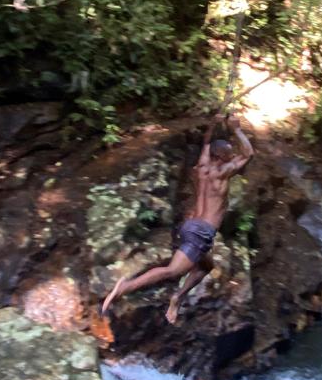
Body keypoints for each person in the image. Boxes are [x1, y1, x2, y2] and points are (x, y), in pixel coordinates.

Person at [101, 113, 254, 325]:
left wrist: (214, 124)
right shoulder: (221, 173)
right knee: (172, 271)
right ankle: (125, 287)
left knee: (205, 266)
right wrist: (236, 129)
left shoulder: (203, 166)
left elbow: (206, 142)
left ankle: (178, 298)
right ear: (221, 157)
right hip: (202, 231)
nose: (233, 156)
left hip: (190, 226)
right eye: (229, 154)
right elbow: (248, 154)